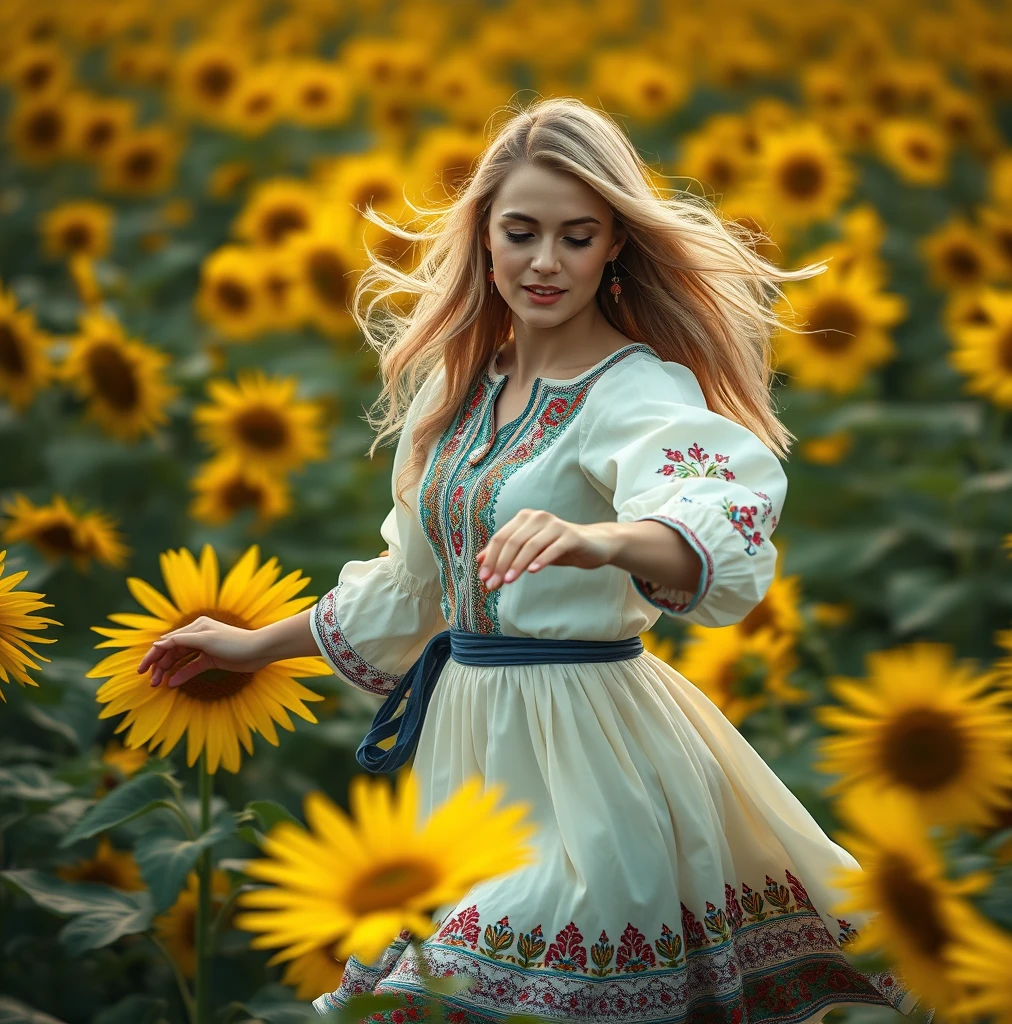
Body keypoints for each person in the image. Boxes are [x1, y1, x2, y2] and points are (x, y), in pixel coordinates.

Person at [139, 97, 934, 1023]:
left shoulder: (633, 387)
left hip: (591, 750)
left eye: (577, 236)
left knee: (486, 989)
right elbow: (409, 586)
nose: (546, 262)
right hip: (467, 754)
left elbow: (718, 505)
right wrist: (252, 647)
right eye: (521, 232)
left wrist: (600, 538)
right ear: (484, 237)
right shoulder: (457, 388)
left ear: (613, 250)